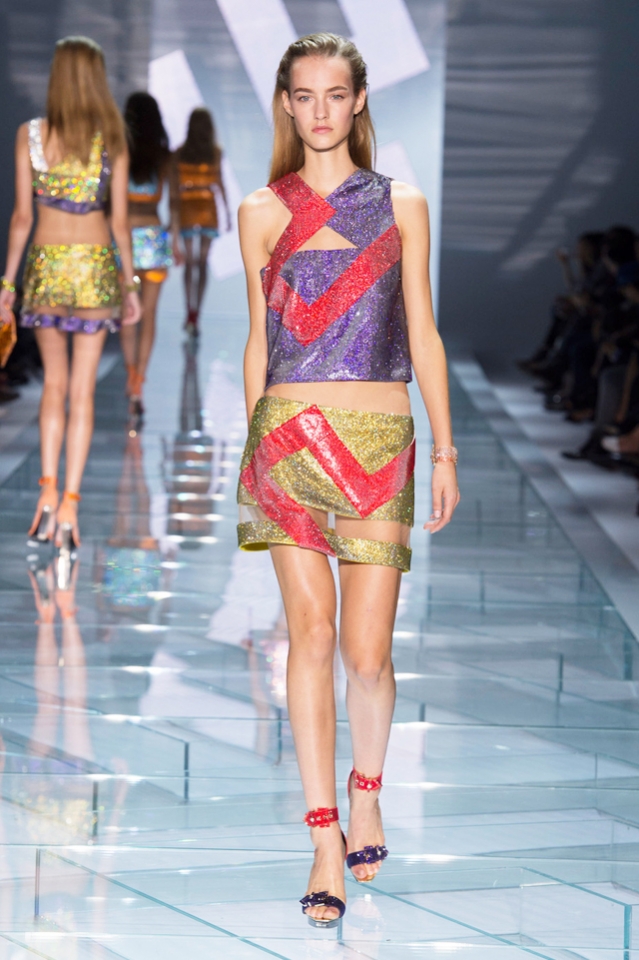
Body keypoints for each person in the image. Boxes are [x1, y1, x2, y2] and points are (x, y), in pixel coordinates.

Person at [236, 33, 460, 927]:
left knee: (367, 653)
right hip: (288, 436)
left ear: (359, 99)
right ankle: (324, 835)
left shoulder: (401, 204)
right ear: (287, 103)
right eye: (304, 95)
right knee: (312, 635)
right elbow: (258, 338)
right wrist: (251, 448)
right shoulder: (261, 210)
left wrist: (444, 450)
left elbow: (424, 331)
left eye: (335, 93)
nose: (320, 110)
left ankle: (368, 793)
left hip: (378, 437)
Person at [0, 36, 140, 548]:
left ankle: (46, 490)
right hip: (95, 269)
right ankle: (70, 506)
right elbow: (119, 222)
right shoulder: (112, 138)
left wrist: (7, 285)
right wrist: (130, 283)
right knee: (81, 392)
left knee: (53, 388)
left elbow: (22, 217)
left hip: (46, 268)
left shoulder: (31, 135)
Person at [122, 91, 180, 421]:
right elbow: (174, 205)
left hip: (125, 242)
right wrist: (176, 240)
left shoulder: (120, 153)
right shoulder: (164, 158)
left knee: (128, 314)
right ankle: (140, 380)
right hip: (154, 240)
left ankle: (131, 375)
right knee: (149, 314)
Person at [173, 107, 230, 336]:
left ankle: (191, 311)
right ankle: (195, 312)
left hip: (189, 208)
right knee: (202, 262)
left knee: (191, 262)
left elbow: (176, 189)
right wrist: (227, 213)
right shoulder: (214, 152)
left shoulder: (180, 153)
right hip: (206, 209)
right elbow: (220, 182)